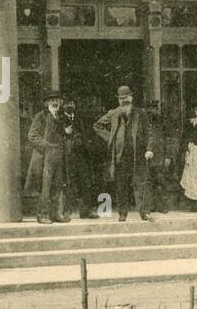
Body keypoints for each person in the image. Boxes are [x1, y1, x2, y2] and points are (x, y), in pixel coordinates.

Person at [93, 84, 157, 221]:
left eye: (126, 98)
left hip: (138, 155)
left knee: (141, 184)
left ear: (131, 98)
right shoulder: (114, 113)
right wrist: (111, 138)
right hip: (120, 157)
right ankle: (122, 214)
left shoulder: (141, 113)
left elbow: (150, 133)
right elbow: (97, 126)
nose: (124, 101)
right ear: (118, 100)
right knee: (121, 186)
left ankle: (144, 212)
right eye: (121, 99)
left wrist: (149, 149)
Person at [24, 91, 71, 224]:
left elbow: (63, 136)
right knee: (45, 187)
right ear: (47, 103)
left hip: (59, 157)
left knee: (57, 185)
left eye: (58, 100)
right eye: (52, 100)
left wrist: (66, 133)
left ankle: (55, 214)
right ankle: (42, 215)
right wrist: (47, 146)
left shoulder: (61, 117)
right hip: (44, 158)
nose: (55, 102)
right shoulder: (41, 116)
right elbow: (32, 136)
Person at [62, 96, 100, 218]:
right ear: (63, 105)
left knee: (85, 183)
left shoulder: (79, 119)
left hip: (81, 156)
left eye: (72, 102)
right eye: (67, 103)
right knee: (69, 184)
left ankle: (85, 211)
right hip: (67, 157)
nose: (70, 105)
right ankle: (67, 211)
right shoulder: (59, 119)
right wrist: (64, 132)